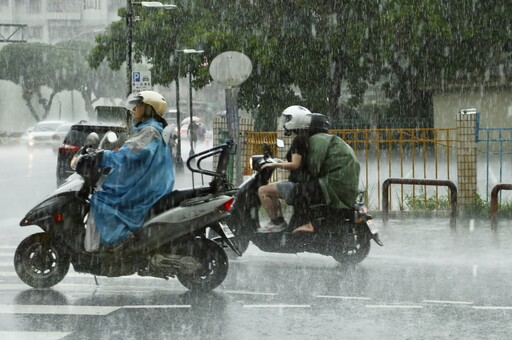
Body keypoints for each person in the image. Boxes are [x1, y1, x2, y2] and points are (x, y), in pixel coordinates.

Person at [81, 90, 175, 250]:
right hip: (150, 182)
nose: (134, 109)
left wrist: (102, 156)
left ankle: (118, 240)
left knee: (102, 199)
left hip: (148, 187)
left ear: (148, 108)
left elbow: (129, 155)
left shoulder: (150, 131)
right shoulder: (150, 129)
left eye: (138, 105)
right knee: (107, 193)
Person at [292, 113, 360, 233]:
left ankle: (309, 224)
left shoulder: (316, 140)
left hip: (333, 183)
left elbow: (314, 167)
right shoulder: (333, 139)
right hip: (348, 186)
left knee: (299, 191)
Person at [256, 105, 312, 233]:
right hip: (303, 183)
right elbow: (298, 163)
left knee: (263, 191)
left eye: (288, 119)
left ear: (295, 120)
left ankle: (278, 222)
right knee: (272, 189)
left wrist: (274, 165)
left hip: (297, 186)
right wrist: (280, 162)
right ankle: (278, 221)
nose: (285, 123)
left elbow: (295, 165)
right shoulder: (305, 138)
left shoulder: (299, 140)